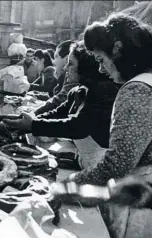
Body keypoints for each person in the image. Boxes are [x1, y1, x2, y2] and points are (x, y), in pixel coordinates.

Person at [68, 13, 152, 238]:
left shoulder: (137, 89)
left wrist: (70, 184)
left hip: (137, 202)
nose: (101, 70)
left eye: (100, 60)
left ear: (117, 49)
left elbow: (119, 162)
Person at [3, 41, 118, 169]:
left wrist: (33, 124)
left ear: (85, 67)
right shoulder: (78, 91)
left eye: (71, 64)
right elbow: (58, 112)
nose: (65, 68)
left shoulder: (103, 93)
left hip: (103, 166)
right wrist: (31, 119)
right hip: (85, 160)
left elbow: (78, 126)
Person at [34, 40, 78, 116]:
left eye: (56, 57)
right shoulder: (62, 75)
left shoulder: (70, 76)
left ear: (66, 59)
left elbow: (58, 100)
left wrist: (34, 114)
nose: (53, 62)